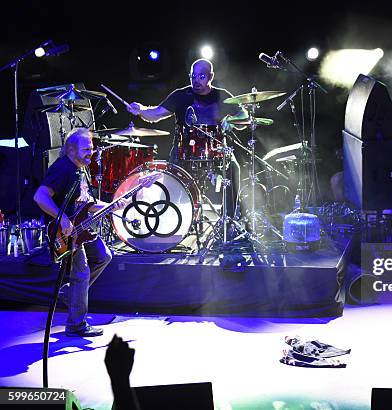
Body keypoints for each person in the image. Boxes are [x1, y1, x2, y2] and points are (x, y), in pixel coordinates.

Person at [34, 128, 125, 337]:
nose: (90, 153)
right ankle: (76, 324)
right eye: (86, 148)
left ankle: (70, 293)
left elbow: (87, 203)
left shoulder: (81, 169)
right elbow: (40, 197)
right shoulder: (63, 168)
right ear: (71, 149)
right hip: (64, 233)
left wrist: (113, 205)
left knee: (104, 256)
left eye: (92, 148)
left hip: (81, 228)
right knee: (81, 272)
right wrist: (62, 218)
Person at [127, 58, 241, 163]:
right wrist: (141, 109)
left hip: (216, 152)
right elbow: (156, 114)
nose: (196, 80)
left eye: (201, 76)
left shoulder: (221, 95)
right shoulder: (180, 95)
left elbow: (243, 115)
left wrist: (233, 120)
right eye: (193, 76)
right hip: (182, 152)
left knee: (235, 168)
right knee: (171, 177)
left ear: (211, 76)